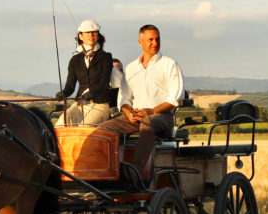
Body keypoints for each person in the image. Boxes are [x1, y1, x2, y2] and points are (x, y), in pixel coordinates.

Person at [100, 24, 185, 184]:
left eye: (157, 39)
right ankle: (108, 173)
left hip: (162, 117)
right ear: (140, 42)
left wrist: (151, 111)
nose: (155, 43)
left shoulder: (169, 65)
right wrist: (128, 113)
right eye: (150, 39)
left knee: (147, 123)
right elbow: (124, 99)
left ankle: (136, 174)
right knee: (103, 130)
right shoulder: (132, 68)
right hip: (135, 116)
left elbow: (175, 99)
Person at [55, 20, 118, 125]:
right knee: (61, 124)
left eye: (94, 32)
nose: (91, 35)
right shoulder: (75, 60)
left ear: (98, 36)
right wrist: (64, 93)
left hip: (100, 105)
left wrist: (93, 92)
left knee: (85, 126)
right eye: (87, 32)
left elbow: (104, 82)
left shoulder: (105, 57)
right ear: (80, 36)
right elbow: (70, 85)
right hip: (80, 104)